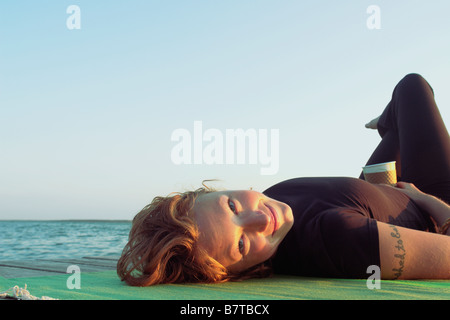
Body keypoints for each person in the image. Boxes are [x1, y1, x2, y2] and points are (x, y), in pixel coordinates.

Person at [117, 73, 450, 286]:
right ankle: (390, 122)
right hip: (430, 200)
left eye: (232, 205)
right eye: (242, 244)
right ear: (244, 271)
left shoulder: (273, 201)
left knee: (404, 111)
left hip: (376, 191)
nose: (261, 218)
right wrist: (430, 202)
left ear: (218, 190)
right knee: (412, 87)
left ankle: (390, 125)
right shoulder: (339, 238)